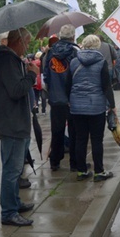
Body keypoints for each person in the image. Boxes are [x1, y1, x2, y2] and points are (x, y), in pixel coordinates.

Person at [0, 27, 38, 227]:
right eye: (27, 42)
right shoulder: (7, 60)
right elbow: (16, 90)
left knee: (14, 168)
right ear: (19, 42)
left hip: (12, 120)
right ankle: (8, 212)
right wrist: (32, 75)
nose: (28, 47)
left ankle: (14, 203)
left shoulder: (7, 59)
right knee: (12, 169)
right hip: (12, 122)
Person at [68, 34, 115, 182]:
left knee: (80, 139)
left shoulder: (74, 62)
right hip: (96, 106)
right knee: (96, 140)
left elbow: (68, 84)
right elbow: (106, 86)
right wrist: (112, 105)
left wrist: (70, 101)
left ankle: (81, 171)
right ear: (97, 46)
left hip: (77, 106)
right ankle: (99, 172)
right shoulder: (101, 62)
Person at [43, 25, 79, 172]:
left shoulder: (50, 52)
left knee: (57, 130)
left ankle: (55, 161)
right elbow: (78, 74)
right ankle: (75, 163)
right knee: (74, 131)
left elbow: (46, 75)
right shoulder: (75, 51)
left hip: (55, 98)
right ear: (73, 37)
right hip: (72, 98)